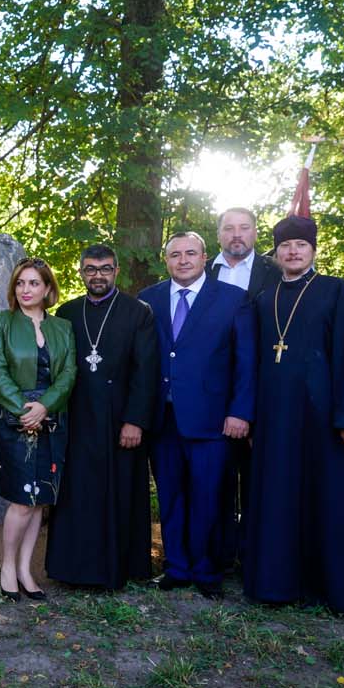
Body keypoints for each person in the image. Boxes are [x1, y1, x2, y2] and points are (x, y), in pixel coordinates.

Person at [241, 217, 344, 616]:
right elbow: (250, 364)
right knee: (277, 499)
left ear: (313, 250)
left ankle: (337, 591)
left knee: (332, 501)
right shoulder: (263, 298)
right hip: (274, 421)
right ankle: (277, 585)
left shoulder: (336, 292)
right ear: (275, 252)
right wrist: (251, 417)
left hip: (325, 422)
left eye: (300, 246)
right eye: (285, 246)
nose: (292, 252)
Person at [139, 232, 255, 599]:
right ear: (166, 260)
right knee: (170, 494)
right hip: (164, 418)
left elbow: (246, 363)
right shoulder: (149, 299)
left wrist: (240, 412)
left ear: (205, 257)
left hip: (213, 420)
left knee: (208, 497)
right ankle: (176, 567)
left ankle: (207, 571)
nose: (183, 260)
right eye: (175, 255)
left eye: (191, 253)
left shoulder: (233, 298)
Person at [46, 245, 158, 590]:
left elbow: (147, 370)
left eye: (105, 269)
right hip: (77, 419)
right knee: (78, 495)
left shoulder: (138, 312)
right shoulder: (65, 312)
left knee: (119, 492)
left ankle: (121, 568)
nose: (98, 275)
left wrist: (135, 420)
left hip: (120, 419)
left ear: (117, 271)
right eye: (91, 269)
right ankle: (73, 569)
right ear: (81, 272)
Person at [0, 257, 76, 601]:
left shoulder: (62, 328)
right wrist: (25, 410)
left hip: (50, 418)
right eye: (21, 283)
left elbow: (68, 374)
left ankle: (25, 568)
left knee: (40, 500)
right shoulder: (1, 323)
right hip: (14, 419)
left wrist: (45, 407)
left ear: (48, 288)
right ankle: (7, 567)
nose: (26, 289)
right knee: (23, 498)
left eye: (34, 283)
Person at [209, 207, 276, 570]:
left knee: (256, 482)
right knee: (214, 482)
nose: (237, 235)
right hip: (208, 399)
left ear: (255, 233)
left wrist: (248, 407)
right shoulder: (200, 272)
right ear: (218, 234)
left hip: (260, 395)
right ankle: (218, 556)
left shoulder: (276, 274)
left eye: (244, 228)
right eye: (229, 228)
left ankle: (254, 560)